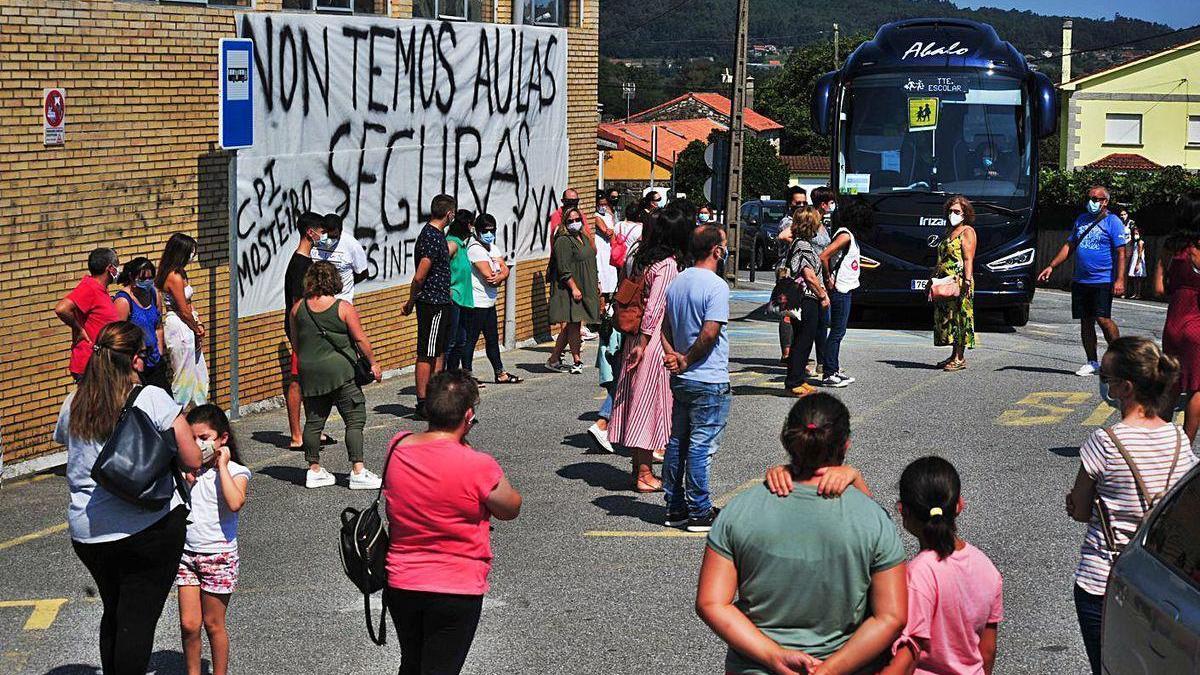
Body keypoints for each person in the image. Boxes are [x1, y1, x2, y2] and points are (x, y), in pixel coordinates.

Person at [696, 393, 907, 674]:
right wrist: (829, 669)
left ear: (787, 439)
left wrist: (773, 656)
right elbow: (891, 617)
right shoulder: (873, 519)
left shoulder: (740, 510)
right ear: (845, 444)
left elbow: (711, 603)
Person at [56, 321, 202, 675]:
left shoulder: (73, 402)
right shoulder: (150, 398)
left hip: (89, 533)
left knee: (115, 610)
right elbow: (192, 458)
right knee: (137, 620)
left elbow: (67, 444)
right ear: (136, 360)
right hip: (147, 528)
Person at [1065, 337, 1195, 675]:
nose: (1104, 386)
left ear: (1124, 387)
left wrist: (1084, 503)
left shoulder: (1105, 443)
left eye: (1106, 379)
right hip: (1160, 579)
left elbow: (1079, 510)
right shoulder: (1180, 440)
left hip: (1104, 578)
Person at [383, 371, 522, 675]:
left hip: (403, 579)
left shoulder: (398, 446)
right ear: (468, 415)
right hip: (456, 584)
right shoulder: (478, 465)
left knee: (412, 663)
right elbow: (510, 507)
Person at [881, 457, 1004, 675]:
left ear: (903, 511)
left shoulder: (918, 574)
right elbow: (987, 651)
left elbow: (908, 654)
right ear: (959, 505)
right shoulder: (987, 568)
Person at [609, 207, 690, 491]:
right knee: (648, 407)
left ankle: (638, 469)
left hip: (634, 338)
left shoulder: (639, 257)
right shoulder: (666, 265)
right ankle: (645, 475)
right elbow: (655, 308)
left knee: (635, 404)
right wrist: (644, 343)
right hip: (653, 340)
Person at [661, 224, 732, 532]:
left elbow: (663, 327)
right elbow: (710, 332)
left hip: (682, 378)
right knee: (701, 446)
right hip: (708, 377)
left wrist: (674, 357)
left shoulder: (677, 281)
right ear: (716, 250)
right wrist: (687, 359)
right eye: (724, 245)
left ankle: (674, 506)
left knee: (678, 441)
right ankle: (700, 511)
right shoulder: (716, 286)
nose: (726, 250)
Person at [290, 261, 384, 489]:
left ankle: (313, 470)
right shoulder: (343, 307)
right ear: (334, 280)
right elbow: (360, 339)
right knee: (354, 419)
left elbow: (295, 342)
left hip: (311, 373)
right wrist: (373, 363)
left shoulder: (297, 308)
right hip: (341, 372)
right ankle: (358, 471)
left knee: (314, 422)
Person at [177, 404, 250, 675]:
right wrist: (186, 479)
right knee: (188, 624)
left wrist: (221, 467)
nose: (198, 444)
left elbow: (235, 502)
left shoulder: (235, 471)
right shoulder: (187, 471)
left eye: (204, 438)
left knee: (213, 623)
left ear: (222, 439)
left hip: (218, 556)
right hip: (187, 555)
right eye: (192, 438)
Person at [1038, 186, 1128, 377]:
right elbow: (1069, 245)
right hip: (1081, 280)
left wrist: (1120, 279)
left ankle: (1120, 359)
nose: (1092, 202)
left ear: (1105, 202)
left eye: (1097, 199)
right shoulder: (1081, 220)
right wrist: (1051, 266)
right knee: (1085, 321)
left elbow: (1121, 253)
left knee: (1103, 319)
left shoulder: (1113, 222)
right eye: (1090, 198)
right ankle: (1092, 361)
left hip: (1102, 279)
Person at [402, 194, 456, 420]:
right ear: (449, 214)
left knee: (440, 351)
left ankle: (436, 399)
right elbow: (420, 275)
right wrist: (411, 300)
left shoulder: (437, 236)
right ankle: (423, 402)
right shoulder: (431, 237)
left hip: (442, 301)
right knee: (427, 352)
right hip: (432, 303)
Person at [1156, 191, 1200, 440]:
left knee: (1172, 383)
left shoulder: (1170, 247)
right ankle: (1186, 443)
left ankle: (1158, 438)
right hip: (1197, 324)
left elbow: (1159, 289)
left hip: (1173, 323)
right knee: (1197, 387)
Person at [462, 213, 521, 384]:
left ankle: (500, 373)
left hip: (489, 302)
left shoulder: (492, 247)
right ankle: (467, 376)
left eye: (492, 231)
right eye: (486, 231)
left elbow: (505, 270)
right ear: (477, 231)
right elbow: (490, 277)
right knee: (470, 341)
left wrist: (500, 275)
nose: (489, 234)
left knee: (492, 339)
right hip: (477, 303)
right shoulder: (475, 249)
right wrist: (500, 275)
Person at [818, 197, 871, 388]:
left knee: (839, 331)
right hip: (839, 288)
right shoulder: (845, 235)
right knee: (837, 331)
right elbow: (824, 256)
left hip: (846, 286)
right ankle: (829, 372)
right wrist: (827, 278)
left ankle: (834, 368)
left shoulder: (848, 235)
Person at [156, 233, 209, 407]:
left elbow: (189, 305)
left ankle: (200, 411)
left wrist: (198, 323)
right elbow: (182, 310)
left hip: (188, 323)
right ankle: (177, 415)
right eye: (190, 252)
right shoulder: (173, 277)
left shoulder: (181, 273)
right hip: (179, 325)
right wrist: (195, 327)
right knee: (184, 376)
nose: (192, 256)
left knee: (199, 373)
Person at [782, 207, 830, 397]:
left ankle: (798, 378)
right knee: (803, 339)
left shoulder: (801, 244)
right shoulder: (802, 246)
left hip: (805, 298)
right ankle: (794, 381)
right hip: (806, 298)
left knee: (804, 339)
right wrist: (822, 295)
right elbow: (809, 276)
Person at [546, 207, 600, 374]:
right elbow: (563, 267)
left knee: (572, 325)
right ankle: (577, 359)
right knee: (574, 324)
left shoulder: (583, 237)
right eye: (570, 221)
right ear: (564, 223)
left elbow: (591, 258)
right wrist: (574, 287)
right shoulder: (563, 240)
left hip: (585, 284)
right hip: (571, 287)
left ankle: (554, 358)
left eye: (578, 220)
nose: (575, 223)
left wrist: (596, 280)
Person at [283, 212, 321, 450]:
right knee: (297, 380)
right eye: (321, 231)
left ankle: (312, 430)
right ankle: (297, 435)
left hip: (307, 330)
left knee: (309, 380)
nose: (322, 235)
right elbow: (298, 304)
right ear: (310, 232)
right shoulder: (300, 265)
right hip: (301, 330)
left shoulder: (307, 262)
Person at [54, 247, 120, 381]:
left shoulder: (101, 290)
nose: (118, 270)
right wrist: (78, 328)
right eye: (116, 266)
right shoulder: (90, 287)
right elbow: (62, 308)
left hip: (101, 365)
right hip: (89, 365)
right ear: (109, 268)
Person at [932, 196, 978, 372]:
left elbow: (968, 258)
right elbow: (942, 259)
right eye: (950, 211)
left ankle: (960, 357)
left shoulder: (967, 231)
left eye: (957, 211)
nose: (953, 214)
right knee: (950, 319)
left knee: (961, 318)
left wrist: (967, 280)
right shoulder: (949, 232)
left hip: (959, 281)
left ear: (965, 214)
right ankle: (953, 355)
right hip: (945, 280)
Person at [113, 257, 170, 392]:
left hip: (155, 360)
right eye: (143, 279)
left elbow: (158, 326)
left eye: (150, 278)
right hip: (136, 363)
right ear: (132, 278)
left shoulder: (153, 293)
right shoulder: (123, 301)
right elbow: (118, 337)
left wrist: (159, 351)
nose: (147, 282)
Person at [445, 209, 477, 373]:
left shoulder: (462, 244)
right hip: (454, 299)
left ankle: (452, 374)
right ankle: (442, 377)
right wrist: (446, 289)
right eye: (471, 224)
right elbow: (440, 267)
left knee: (461, 340)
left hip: (464, 300)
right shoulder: (452, 244)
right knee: (450, 341)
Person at [311, 212, 369, 302]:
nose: (330, 240)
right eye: (328, 236)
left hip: (341, 302)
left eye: (334, 237)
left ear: (340, 232)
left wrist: (341, 285)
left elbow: (363, 273)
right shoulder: (315, 241)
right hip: (317, 302)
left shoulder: (352, 245)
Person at [594, 189, 620, 303]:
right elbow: (607, 231)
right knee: (602, 279)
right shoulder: (596, 216)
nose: (603, 207)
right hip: (601, 250)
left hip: (610, 250)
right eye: (601, 204)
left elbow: (613, 230)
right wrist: (612, 232)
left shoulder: (609, 215)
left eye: (605, 204)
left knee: (611, 278)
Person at [1126, 222, 1146, 299]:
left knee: (1139, 278)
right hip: (1134, 259)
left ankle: (1138, 293)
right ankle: (1135, 293)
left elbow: (1140, 254)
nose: (1135, 235)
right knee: (1134, 278)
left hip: (1138, 261)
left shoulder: (1140, 242)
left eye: (1137, 233)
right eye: (1134, 233)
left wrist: (1138, 264)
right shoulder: (1135, 242)